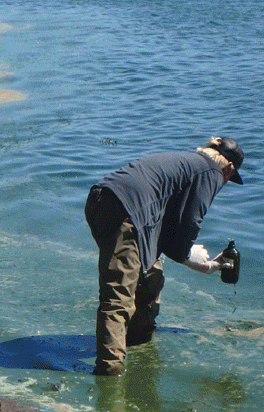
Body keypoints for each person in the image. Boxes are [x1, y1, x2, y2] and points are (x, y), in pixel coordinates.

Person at [85, 136, 244, 375]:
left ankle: (137, 342)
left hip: (102, 201)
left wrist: (198, 261)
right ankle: (110, 375)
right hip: (125, 211)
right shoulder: (211, 171)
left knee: (150, 276)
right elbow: (191, 222)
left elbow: (169, 234)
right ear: (229, 167)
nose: (226, 182)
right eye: (230, 178)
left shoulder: (188, 163)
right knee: (118, 296)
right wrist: (194, 258)